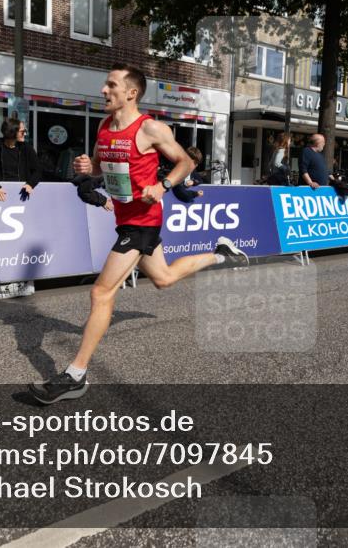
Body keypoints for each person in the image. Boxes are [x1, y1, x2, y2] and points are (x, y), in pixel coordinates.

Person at [28, 65, 248, 404]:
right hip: (125, 217)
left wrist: (162, 186)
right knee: (163, 278)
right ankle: (221, 252)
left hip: (143, 221)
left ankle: (76, 375)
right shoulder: (103, 126)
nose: (103, 90)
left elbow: (185, 163)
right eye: (105, 84)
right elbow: (103, 168)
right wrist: (90, 169)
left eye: (111, 85)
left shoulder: (150, 129)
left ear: (131, 93)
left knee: (101, 293)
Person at [0, 117, 41, 201]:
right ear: (12, 132)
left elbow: (37, 170)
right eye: (22, 132)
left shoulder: (27, 148)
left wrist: (30, 184)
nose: (25, 134)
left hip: (21, 193)